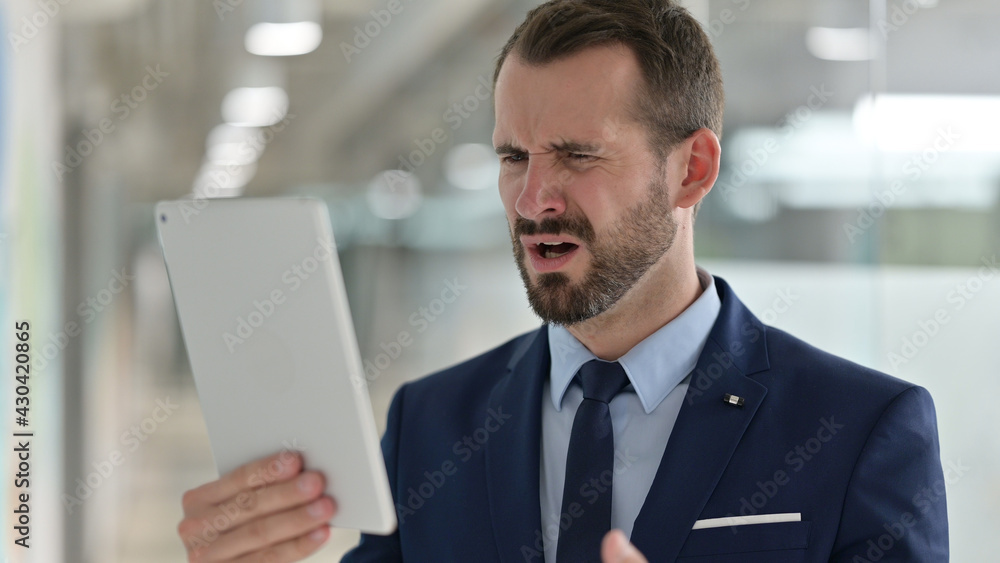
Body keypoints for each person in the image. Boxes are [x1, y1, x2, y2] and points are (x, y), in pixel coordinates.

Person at [177, 1, 949, 561]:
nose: (532, 197)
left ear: (693, 170)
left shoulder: (858, 429)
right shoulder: (432, 424)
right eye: (514, 156)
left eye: (578, 155)